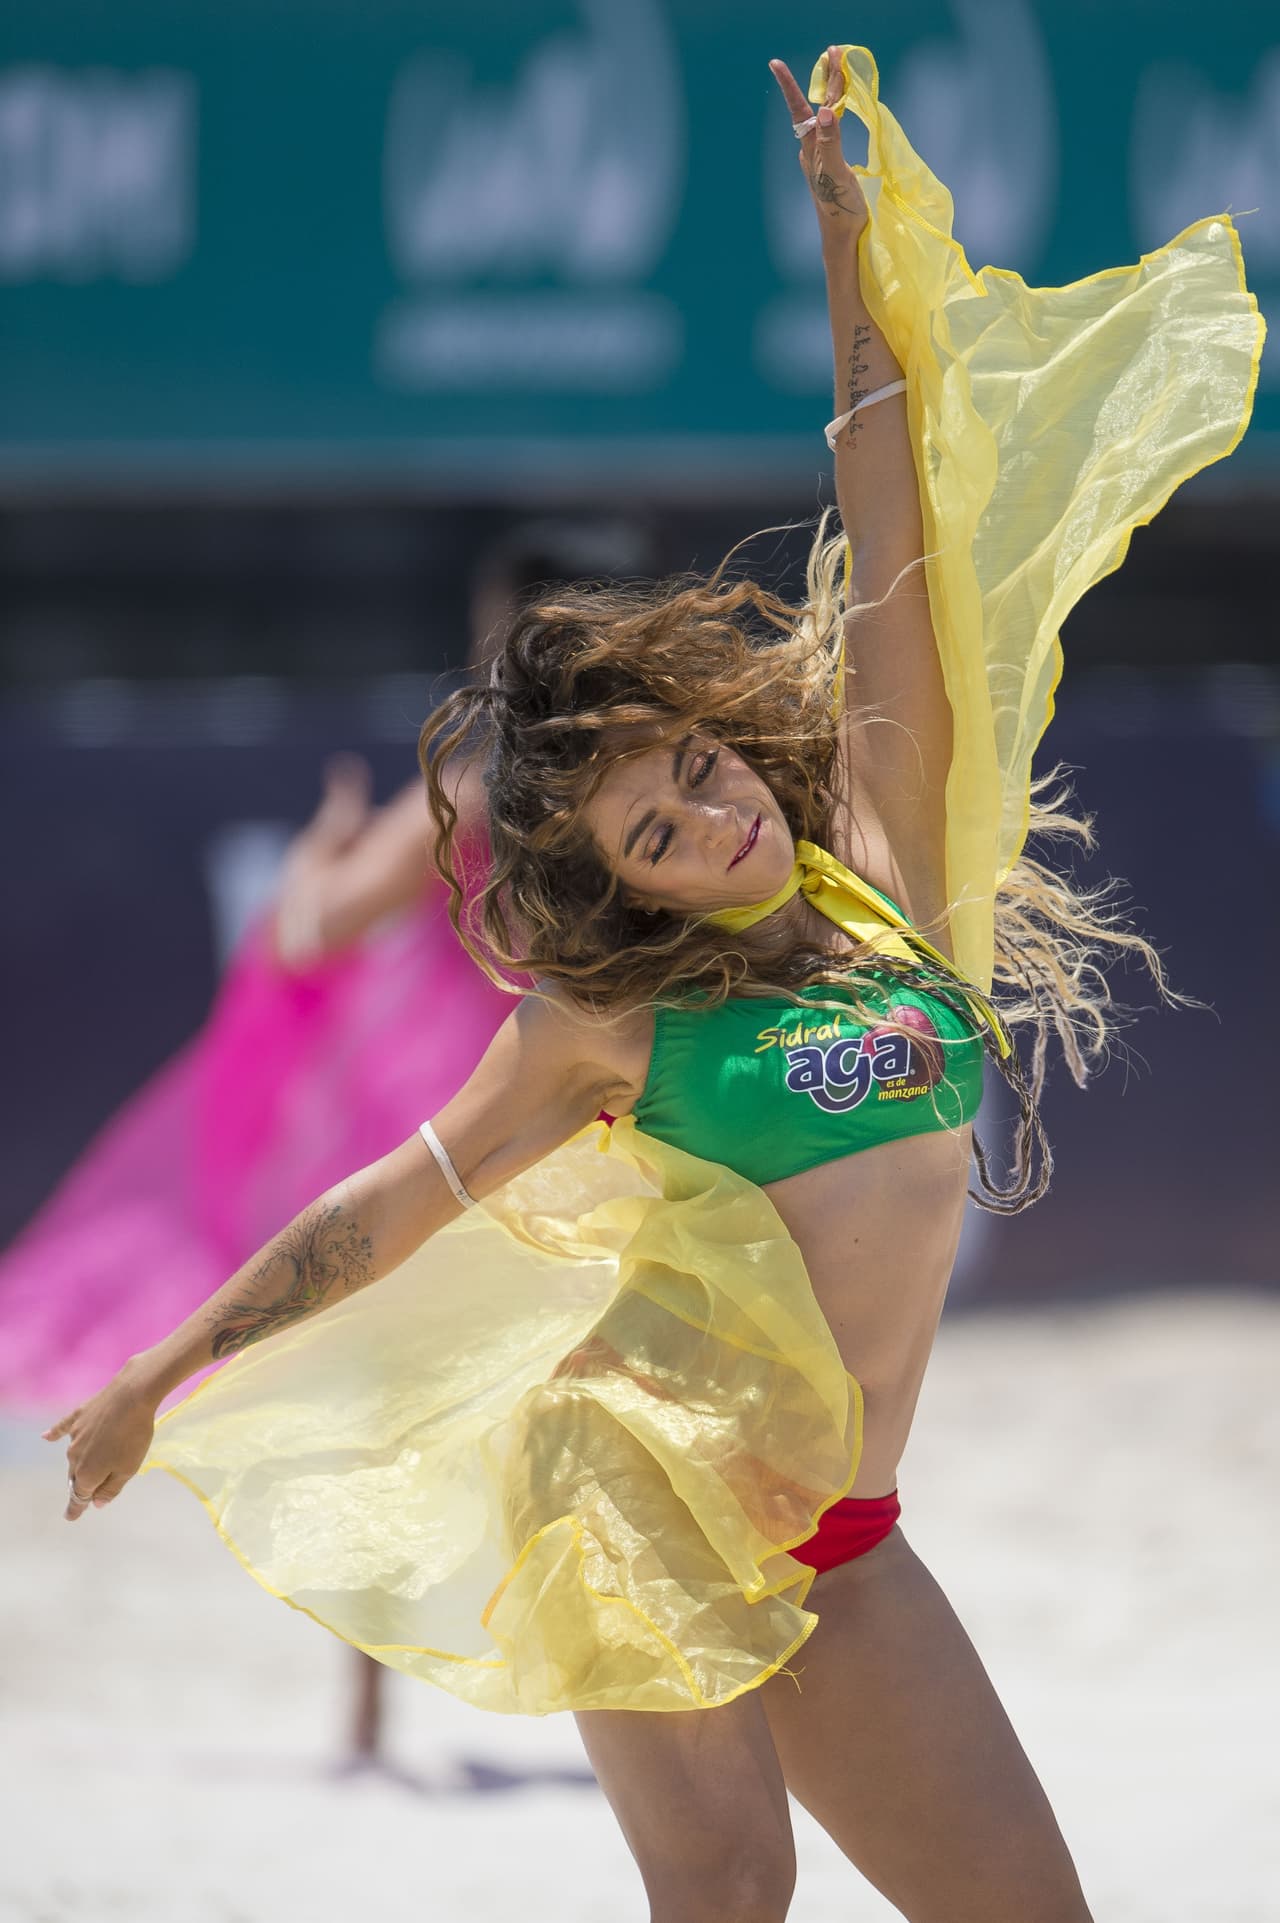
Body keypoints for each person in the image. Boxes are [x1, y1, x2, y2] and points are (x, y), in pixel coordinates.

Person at [45, 46, 1262, 1923]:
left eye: (695, 777)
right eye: (654, 838)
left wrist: (850, 253)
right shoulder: (613, 1027)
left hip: (843, 1537)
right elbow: (390, 1207)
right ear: (615, 892)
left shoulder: (897, 880)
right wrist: (166, 1365)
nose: (707, 824)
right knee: (729, 1895)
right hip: (632, 1486)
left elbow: (894, 524)